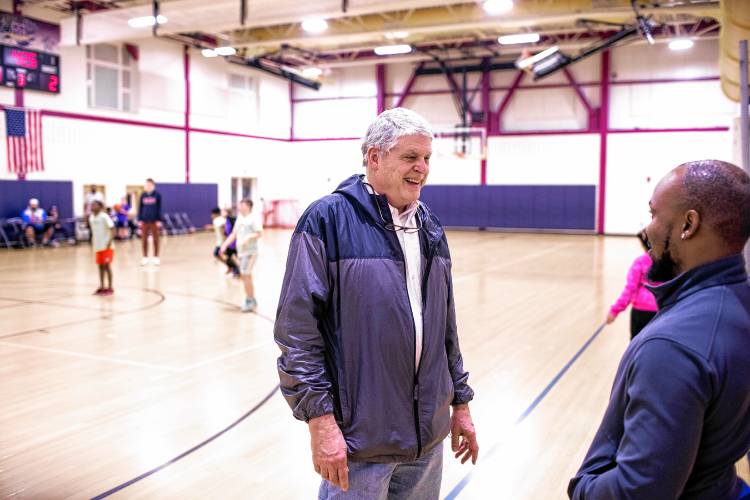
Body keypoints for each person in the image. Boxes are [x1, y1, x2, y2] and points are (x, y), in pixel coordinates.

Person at [274, 108, 478, 499]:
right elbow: (296, 333)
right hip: (360, 441)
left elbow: (444, 329)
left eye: (426, 158)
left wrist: (461, 404)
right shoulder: (326, 220)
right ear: (374, 158)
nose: (422, 168)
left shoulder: (431, 227)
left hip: (426, 441)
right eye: (410, 157)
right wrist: (320, 420)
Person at [569, 160, 750, 499]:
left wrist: (585, 489)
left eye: (653, 215)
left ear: (688, 224)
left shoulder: (671, 347)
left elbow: (638, 491)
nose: (648, 228)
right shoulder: (739, 303)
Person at [605, 231, 662, 339]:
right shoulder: (671, 263)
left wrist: (615, 310)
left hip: (641, 312)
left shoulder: (640, 262)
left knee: (636, 347)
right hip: (662, 310)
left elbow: (630, 289)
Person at [219, 199, 261, 312]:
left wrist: (249, 237)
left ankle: (249, 300)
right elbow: (234, 234)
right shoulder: (240, 218)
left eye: (242, 205)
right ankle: (252, 298)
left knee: (246, 274)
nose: (239, 207)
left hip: (251, 252)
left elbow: (259, 233)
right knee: (246, 276)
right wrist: (224, 245)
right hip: (242, 252)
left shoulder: (254, 218)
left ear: (248, 206)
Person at [88, 200, 115, 295]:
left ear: (100, 207)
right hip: (97, 246)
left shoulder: (104, 216)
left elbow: (112, 228)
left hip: (106, 246)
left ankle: (110, 287)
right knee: (100, 266)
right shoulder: (91, 217)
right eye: (91, 205)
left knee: (107, 266)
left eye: (94, 205)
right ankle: (102, 286)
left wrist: (109, 241)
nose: (92, 207)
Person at [138, 178, 162, 266]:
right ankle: (145, 257)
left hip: (154, 221)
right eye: (146, 184)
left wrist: (159, 220)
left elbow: (159, 208)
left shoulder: (157, 195)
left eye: (149, 184)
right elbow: (140, 208)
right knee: (144, 239)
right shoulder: (143, 195)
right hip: (144, 220)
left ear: (153, 185)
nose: (147, 186)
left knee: (156, 239)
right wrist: (139, 219)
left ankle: (156, 257)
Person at [211, 207, 239, 277]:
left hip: (224, 243)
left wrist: (226, 241)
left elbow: (225, 230)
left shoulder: (220, 220)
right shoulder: (221, 220)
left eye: (224, 211)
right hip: (223, 242)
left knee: (228, 256)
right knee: (228, 256)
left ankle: (234, 268)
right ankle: (232, 268)